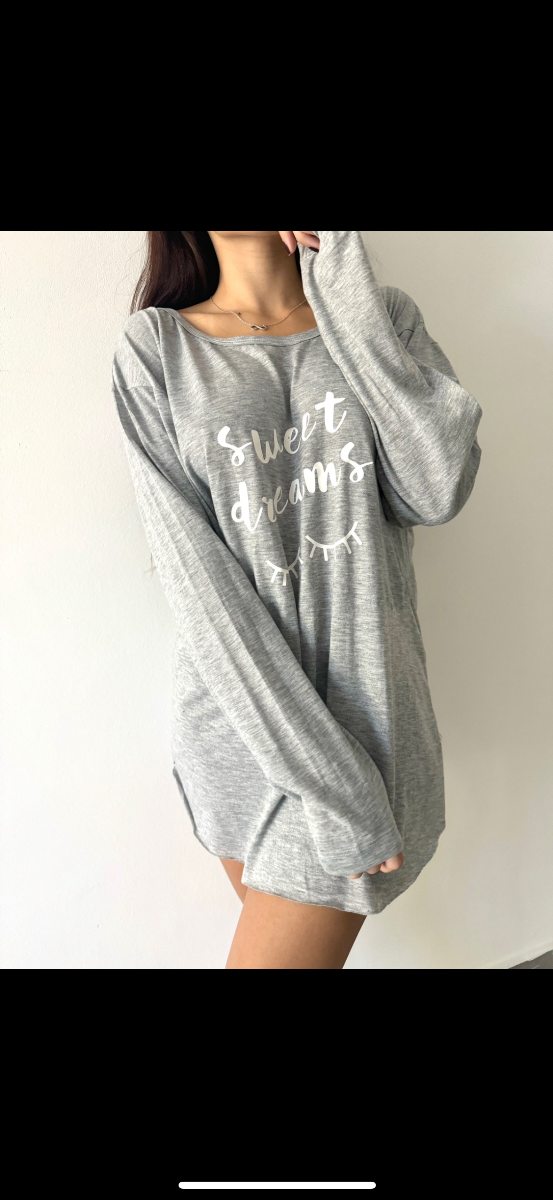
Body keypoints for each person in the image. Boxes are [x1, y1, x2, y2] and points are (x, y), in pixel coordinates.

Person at [112, 230, 482, 969]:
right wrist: (333, 783)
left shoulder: (379, 315)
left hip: (374, 725)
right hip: (244, 733)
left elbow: (435, 489)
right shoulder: (156, 348)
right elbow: (200, 587)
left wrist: (340, 283)